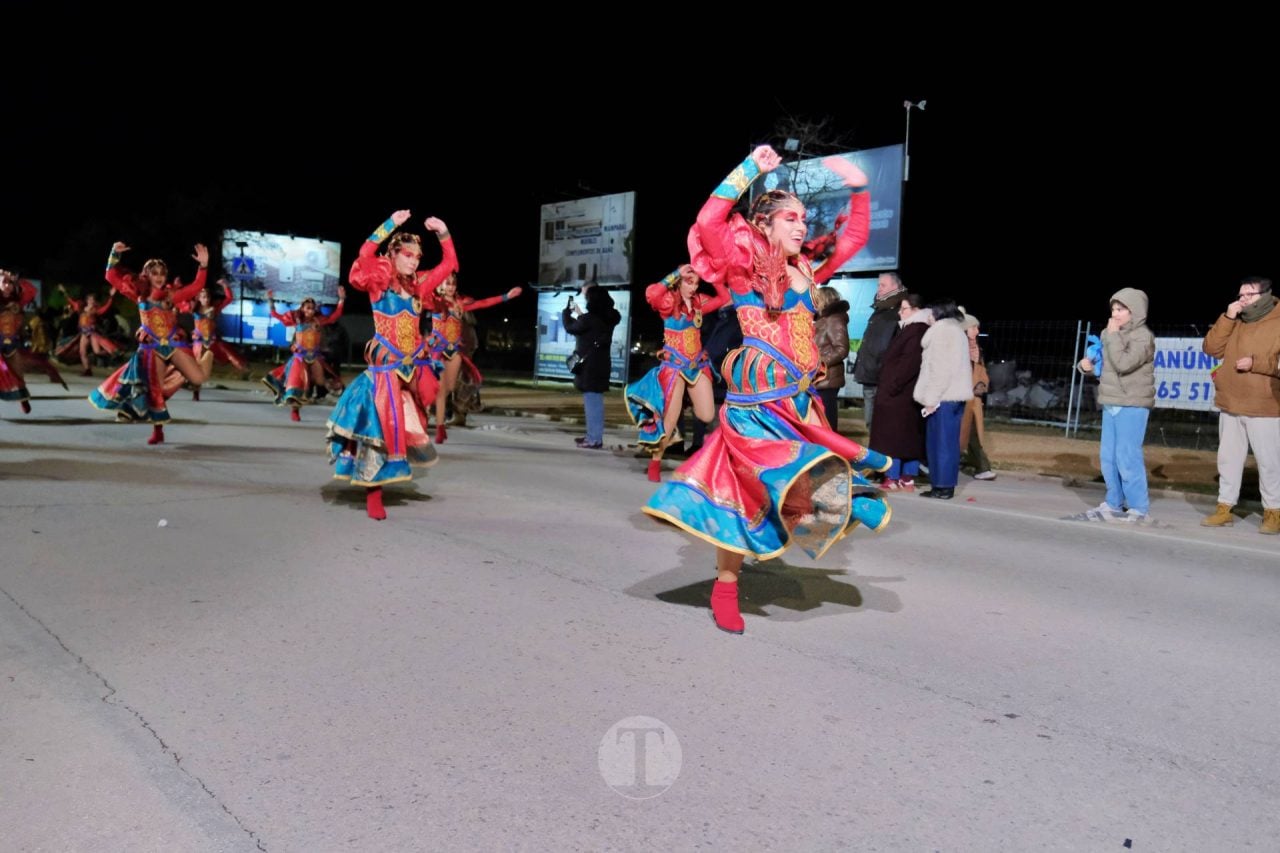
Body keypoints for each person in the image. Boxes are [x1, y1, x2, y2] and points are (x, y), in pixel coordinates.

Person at [643, 145, 891, 635]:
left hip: (801, 398)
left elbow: (856, 238)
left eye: (804, 219)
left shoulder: (809, 272)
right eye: (790, 219)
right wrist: (751, 167)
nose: (801, 226)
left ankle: (832, 503)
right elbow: (710, 217)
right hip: (758, 399)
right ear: (765, 226)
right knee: (739, 498)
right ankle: (726, 588)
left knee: (813, 473)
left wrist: (859, 189)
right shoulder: (741, 266)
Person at [326, 211, 454, 520]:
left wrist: (444, 233)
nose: (413, 261)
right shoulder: (379, 283)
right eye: (407, 254)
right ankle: (374, 494)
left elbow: (448, 265)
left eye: (417, 256)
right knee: (381, 429)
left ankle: (388, 475)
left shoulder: (419, 288)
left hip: (410, 368)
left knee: (411, 425)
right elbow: (365, 253)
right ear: (393, 254)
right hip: (384, 370)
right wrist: (390, 224)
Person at [89, 241, 212, 444]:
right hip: (151, 348)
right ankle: (158, 431)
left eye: (162, 273)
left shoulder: (172, 295)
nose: (159, 277)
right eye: (154, 273)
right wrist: (114, 254)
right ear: (147, 275)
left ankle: (208, 355)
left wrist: (204, 266)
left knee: (198, 378)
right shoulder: (138, 294)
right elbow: (110, 276)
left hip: (174, 343)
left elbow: (197, 286)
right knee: (155, 388)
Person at [625, 263, 730, 480]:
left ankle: (697, 447)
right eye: (689, 282)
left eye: (696, 283)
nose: (693, 287)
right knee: (669, 421)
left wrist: (713, 275)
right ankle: (656, 460)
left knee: (707, 414)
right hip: (673, 368)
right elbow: (652, 294)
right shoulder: (668, 302)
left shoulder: (700, 303)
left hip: (696, 366)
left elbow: (724, 298)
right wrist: (674, 274)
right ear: (679, 283)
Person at [1200, 276, 1280, 534]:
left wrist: (1256, 363)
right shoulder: (1235, 320)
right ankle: (1224, 509)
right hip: (1231, 402)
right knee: (1228, 460)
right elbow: (1211, 348)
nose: (1242, 299)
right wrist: (1227, 317)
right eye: (1240, 295)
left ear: (1266, 295)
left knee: (1269, 463)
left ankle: (1273, 513)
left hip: (1265, 406)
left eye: (1249, 295)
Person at [1072, 289, 1155, 522]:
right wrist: (1086, 366)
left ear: (1135, 311)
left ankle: (1139, 507)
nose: (1115, 314)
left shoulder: (1142, 336)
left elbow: (1123, 363)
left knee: (1128, 456)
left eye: (1121, 309)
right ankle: (1113, 502)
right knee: (1108, 456)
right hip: (1111, 401)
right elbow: (1105, 367)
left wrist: (1111, 336)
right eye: (1113, 309)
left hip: (1132, 403)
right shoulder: (1111, 334)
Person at [423, 273, 520, 444]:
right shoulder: (435, 302)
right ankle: (438, 428)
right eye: (447, 283)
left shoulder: (461, 303)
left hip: (455, 351)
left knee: (449, 389)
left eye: (453, 283)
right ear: (440, 286)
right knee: (439, 390)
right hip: (437, 350)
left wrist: (506, 296)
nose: (451, 286)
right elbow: (419, 298)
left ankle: (433, 416)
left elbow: (483, 303)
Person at [913, 298, 973, 500]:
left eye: (930, 312)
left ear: (938, 313)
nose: (927, 316)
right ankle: (941, 484)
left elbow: (940, 370)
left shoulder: (942, 332)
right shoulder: (956, 330)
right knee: (946, 442)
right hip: (953, 396)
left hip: (944, 397)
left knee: (941, 443)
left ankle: (943, 486)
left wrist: (931, 399)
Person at [870, 294, 929, 491]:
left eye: (903, 309)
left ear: (915, 310)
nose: (899, 312)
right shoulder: (912, 329)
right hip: (902, 393)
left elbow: (909, 363)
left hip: (898, 394)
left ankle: (894, 476)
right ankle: (906, 476)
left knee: (893, 437)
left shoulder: (916, 330)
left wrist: (892, 385)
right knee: (906, 437)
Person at [263, 287, 346, 421]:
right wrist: (270, 301)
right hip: (300, 357)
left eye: (312, 308)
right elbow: (276, 315)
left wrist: (341, 299)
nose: (311, 311)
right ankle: (295, 410)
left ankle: (331, 396)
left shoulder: (318, 321)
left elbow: (334, 316)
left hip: (315, 356)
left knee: (321, 380)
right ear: (302, 308)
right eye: (308, 308)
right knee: (297, 384)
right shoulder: (296, 320)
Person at [562, 283, 621, 449]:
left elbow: (570, 327)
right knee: (595, 401)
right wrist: (580, 314)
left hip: (589, 366)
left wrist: (566, 312)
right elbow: (589, 325)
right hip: (602, 363)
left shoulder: (590, 320)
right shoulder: (610, 317)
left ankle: (594, 439)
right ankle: (593, 435)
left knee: (592, 403)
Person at [851, 272, 906, 431]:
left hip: (884, 376)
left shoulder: (900, 311)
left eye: (883, 285)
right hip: (870, 373)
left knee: (884, 424)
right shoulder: (879, 310)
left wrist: (885, 368)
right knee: (871, 423)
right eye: (878, 285)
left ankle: (883, 453)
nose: (879, 289)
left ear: (895, 287)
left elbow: (898, 346)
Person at [178, 279, 251, 397]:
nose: (206, 299)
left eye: (207, 297)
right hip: (198, 342)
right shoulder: (194, 309)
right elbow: (180, 301)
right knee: (196, 364)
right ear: (199, 298)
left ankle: (241, 366)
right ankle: (195, 388)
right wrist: (180, 288)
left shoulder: (214, 308)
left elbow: (229, 299)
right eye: (203, 297)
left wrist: (225, 286)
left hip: (212, 341)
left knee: (224, 352)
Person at [958, 309, 996, 481]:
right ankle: (980, 466)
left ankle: (982, 466)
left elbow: (982, 372)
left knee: (971, 433)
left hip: (972, 400)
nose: (977, 332)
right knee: (964, 433)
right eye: (974, 328)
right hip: (959, 398)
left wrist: (982, 384)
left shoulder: (976, 349)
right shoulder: (958, 348)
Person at [54, 284, 118, 376]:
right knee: (82, 352)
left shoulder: (96, 310)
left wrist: (111, 296)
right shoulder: (81, 308)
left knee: (97, 352)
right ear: (87, 300)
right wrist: (64, 292)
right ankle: (87, 370)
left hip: (93, 333)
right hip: (83, 333)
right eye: (90, 299)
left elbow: (106, 307)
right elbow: (71, 301)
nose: (92, 301)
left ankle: (112, 354)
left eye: (93, 299)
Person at [812, 285, 851, 431]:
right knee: (822, 418)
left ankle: (831, 449)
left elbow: (842, 349)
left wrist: (819, 364)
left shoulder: (833, 319)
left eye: (816, 298)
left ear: (824, 299)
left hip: (827, 378)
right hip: (820, 378)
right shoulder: (823, 319)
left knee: (828, 419)